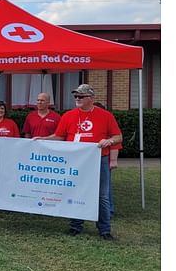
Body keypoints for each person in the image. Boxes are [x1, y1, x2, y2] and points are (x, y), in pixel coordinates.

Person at [35, 84, 122, 240]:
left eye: (81, 96)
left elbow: (118, 137)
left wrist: (108, 141)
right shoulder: (69, 115)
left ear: (91, 98)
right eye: (76, 96)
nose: (77, 99)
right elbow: (60, 136)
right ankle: (75, 225)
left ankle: (104, 229)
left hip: (99, 159)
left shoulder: (105, 115)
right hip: (75, 161)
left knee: (102, 195)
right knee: (76, 191)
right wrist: (43, 139)